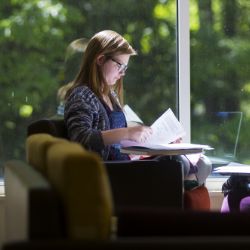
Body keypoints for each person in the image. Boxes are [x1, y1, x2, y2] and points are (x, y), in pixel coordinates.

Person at [64, 30, 211, 185]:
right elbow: (80, 137)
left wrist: (162, 145)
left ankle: (183, 185)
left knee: (202, 162)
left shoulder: (111, 95)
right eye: (120, 66)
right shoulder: (82, 95)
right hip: (109, 172)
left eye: (125, 68)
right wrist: (126, 132)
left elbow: (119, 146)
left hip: (125, 165)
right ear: (100, 59)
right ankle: (184, 185)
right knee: (177, 163)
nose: (122, 74)